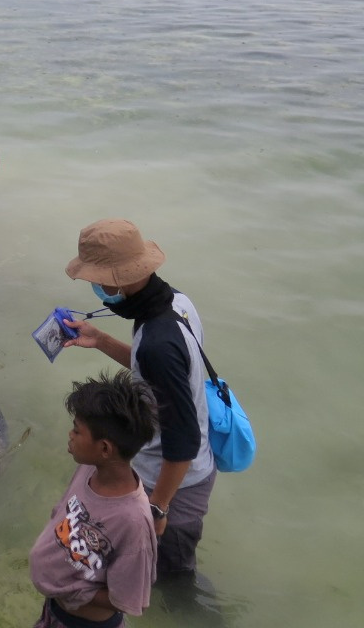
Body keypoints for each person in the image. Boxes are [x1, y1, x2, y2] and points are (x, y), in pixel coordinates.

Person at [62, 219, 217, 581]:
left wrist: (158, 508)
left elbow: (184, 441)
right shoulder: (176, 302)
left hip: (175, 482)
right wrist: (100, 340)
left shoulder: (157, 344)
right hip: (181, 469)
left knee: (172, 581)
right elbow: (159, 370)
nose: (96, 288)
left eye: (96, 280)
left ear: (116, 279)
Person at [29, 369, 159, 628]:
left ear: (104, 448)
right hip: (55, 611)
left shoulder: (133, 521)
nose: (70, 435)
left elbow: (128, 597)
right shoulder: (89, 468)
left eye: (77, 431)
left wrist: (75, 589)